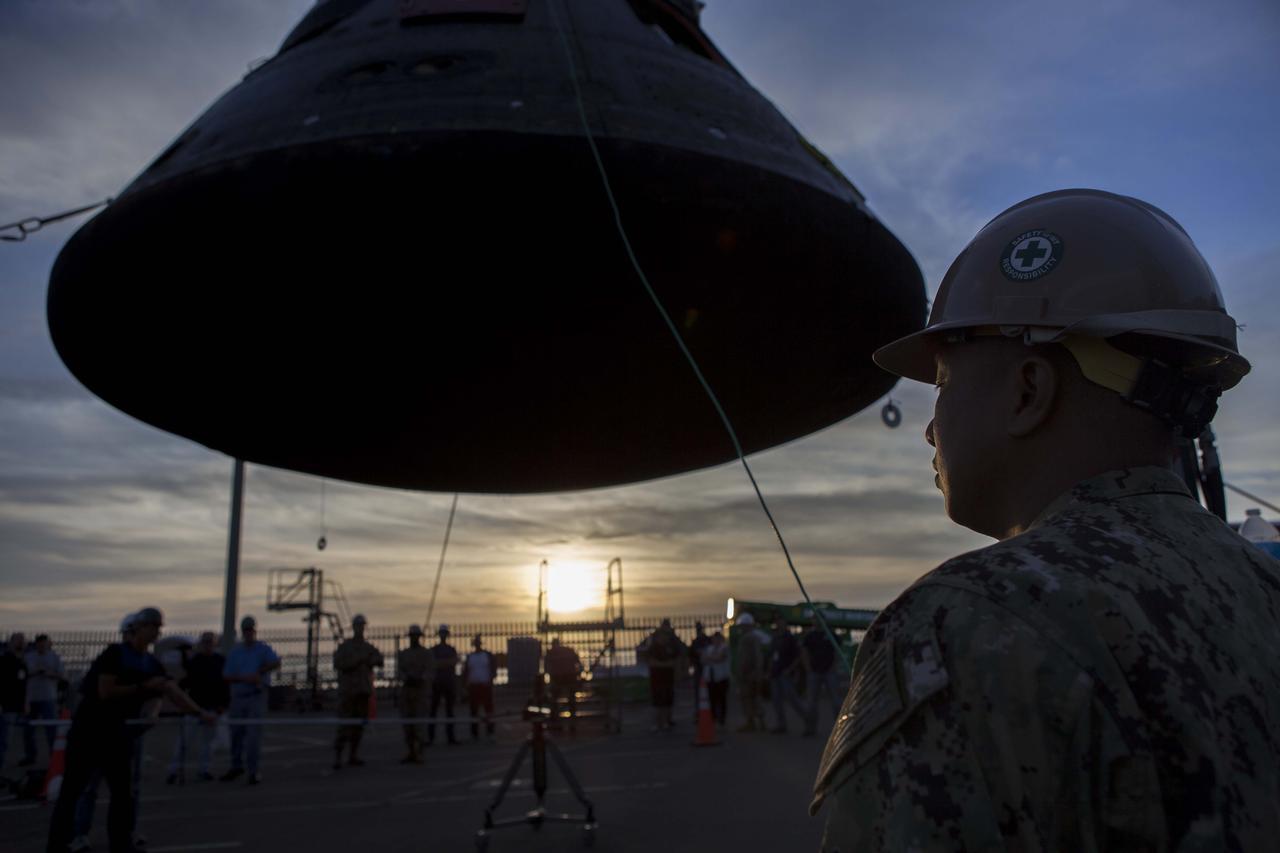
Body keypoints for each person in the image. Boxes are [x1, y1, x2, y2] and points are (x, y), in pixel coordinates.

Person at [812, 189, 1280, 851]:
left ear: (1029, 389)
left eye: (943, 382)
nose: (928, 428)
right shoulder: (1264, 592)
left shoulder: (963, 622)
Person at [47, 607, 214, 853]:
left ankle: (121, 843)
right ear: (139, 629)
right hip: (89, 730)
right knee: (74, 790)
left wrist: (200, 713)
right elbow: (106, 691)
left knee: (122, 793)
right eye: (153, 626)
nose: (157, 631)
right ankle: (58, 844)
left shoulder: (151, 663)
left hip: (117, 734)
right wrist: (143, 686)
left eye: (159, 627)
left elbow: (172, 692)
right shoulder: (115, 655)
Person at [221, 615, 279, 784]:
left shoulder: (262, 649)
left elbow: (275, 663)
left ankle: (253, 770)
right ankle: (236, 765)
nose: (248, 633)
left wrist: (260, 671)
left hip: (256, 696)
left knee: (254, 736)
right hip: (239, 697)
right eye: (246, 630)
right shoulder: (235, 652)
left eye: (250, 630)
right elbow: (227, 676)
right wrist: (245, 678)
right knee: (236, 734)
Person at [166, 631, 228, 783]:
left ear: (214, 644)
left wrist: (222, 705)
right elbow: (187, 680)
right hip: (194, 708)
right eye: (205, 642)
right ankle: (174, 770)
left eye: (210, 642)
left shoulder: (220, 661)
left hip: (212, 707)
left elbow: (224, 686)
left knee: (207, 742)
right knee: (184, 741)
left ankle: (204, 769)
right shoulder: (196, 661)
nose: (207, 645)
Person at [332, 613, 383, 769]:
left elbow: (379, 659)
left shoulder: (368, 647)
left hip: (363, 691)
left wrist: (369, 660)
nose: (360, 629)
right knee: (344, 726)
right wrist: (358, 660)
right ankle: (338, 757)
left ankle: (353, 755)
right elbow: (339, 663)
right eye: (358, 626)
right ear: (353, 627)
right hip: (348, 692)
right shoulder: (345, 647)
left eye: (362, 626)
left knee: (359, 726)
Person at [22, 633, 64, 766]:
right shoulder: (28, 657)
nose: (42, 646)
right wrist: (35, 672)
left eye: (44, 644)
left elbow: (62, 675)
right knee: (28, 729)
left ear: (48, 644)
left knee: (51, 729)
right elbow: (21, 674)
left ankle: (53, 756)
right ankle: (30, 756)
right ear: (36, 644)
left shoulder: (55, 658)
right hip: (31, 697)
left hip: (48, 697)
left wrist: (49, 673)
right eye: (40, 644)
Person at [397, 624, 431, 763]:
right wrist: (406, 677)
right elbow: (399, 671)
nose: (414, 639)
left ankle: (420, 752)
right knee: (408, 725)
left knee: (419, 725)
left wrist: (421, 677)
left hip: (420, 692)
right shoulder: (404, 654)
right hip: (407, 692)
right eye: (412, 636)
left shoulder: (426, 654)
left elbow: (430, 671)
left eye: (416, 636)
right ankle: (411, 752)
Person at [800, 625, 841, 737]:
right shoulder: (810, 636)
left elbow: (837, 650)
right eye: (814, 620)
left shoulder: (831, 635)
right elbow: (804, 651)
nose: (816, 622)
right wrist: (807, 667)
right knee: (811, 702)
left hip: (829, 671)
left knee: (836, 701)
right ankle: (810, 728)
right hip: (814, 672)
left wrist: (834, 666)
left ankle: (840, 730)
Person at [644, 619, 683, 732]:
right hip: (656, 679)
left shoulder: (671, 646)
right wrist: (666, 664)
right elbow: (651, 662)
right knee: (657, 702)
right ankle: (657, 722)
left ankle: (666, 721)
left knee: (667, 701)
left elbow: (677, 660)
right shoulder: (653, 648)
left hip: (668, 678)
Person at [767, 621, 805, 734]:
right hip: (776, 673)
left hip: (785, 674)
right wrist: (769, 671)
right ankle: (781, 724)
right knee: (776, 701)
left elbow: (798, 656)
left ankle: (807, 719)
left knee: (792, 699)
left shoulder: (790, 638)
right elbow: (771, 655)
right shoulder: (775, 638)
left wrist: (790, 669)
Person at [426, 625, 459, 746]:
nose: (443, 635)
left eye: (445, 633)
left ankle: (451, 737)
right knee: (433, 711)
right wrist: (445, 663)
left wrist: (440, 663)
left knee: (450, 712)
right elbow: (432, 664)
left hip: (449, 683)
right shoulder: (433, 650)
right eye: (442, 633)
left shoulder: (451, 649)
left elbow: (454, 661)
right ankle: (430, 737)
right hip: (437, 683)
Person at [733, 614, 766, 732]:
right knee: (748, 698)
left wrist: (756, 672)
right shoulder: (747, 638)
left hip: (750, 675)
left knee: (753, 698)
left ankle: (757, 722)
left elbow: (757, 657)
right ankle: (752, 722)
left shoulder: (751, 638)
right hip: (746, 675)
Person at [462, 634, 496, 741]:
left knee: (488, 711)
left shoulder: (487, 655)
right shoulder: (470, 657)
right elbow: (465, 672)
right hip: (474, 687)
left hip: (485, 686)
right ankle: (474, 733)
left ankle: (490, 731)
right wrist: (465, 686)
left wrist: (490, 680)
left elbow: (493, 669)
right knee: (474, 711)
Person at [543, 637, 581, 731]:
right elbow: (577, 662)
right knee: (571, 700)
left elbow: (546, 667)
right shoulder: (568, 650)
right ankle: (572, 721)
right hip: (570, 677)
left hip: (557, 678)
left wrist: (550, 675)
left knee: (554, 699)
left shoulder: (550, 652)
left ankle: (556, 720)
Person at [0, 632, 25, 768]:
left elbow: (23, 684)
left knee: (6, 739)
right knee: (4, 739)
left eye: (22, 640)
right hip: (7, 704)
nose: (21, 643)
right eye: (18, 640)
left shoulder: (21, 661)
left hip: (16, 705)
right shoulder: (5, 660)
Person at [701, 631, 731, 725]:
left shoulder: (724, 648)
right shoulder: (709, 648)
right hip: (711, 677)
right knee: (712, 698)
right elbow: (703, 659)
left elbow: (719, 658)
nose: (716, 640)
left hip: (721, 677)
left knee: (721, 698)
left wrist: (710, 658)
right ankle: (713, 717)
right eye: (714, 638)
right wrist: (712, 658)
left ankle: (722, 718)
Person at [687, 621, 711, 721]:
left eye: (699, 628)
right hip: (698, 669)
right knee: (698, 692)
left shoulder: (707, 640)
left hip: (707, 669)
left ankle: (708, 712)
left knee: (708, 691)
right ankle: (699, 712)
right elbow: (690, 656)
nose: (698, 630)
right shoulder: (695, 642)